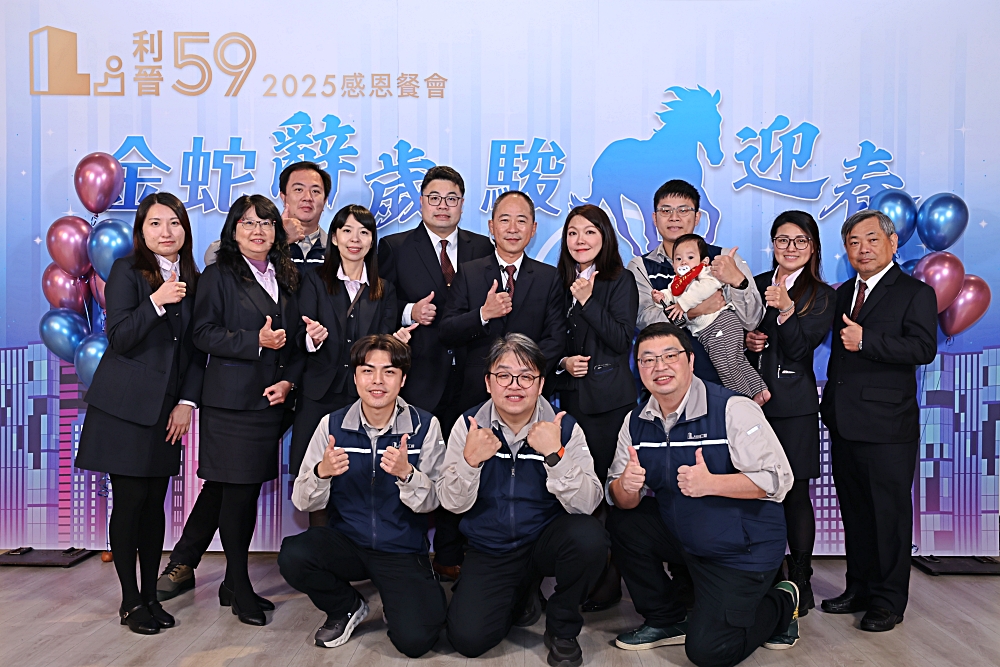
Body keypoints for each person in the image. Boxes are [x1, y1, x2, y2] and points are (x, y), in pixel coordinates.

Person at [608, 322, 798, 666]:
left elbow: (778, 479)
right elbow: (622, 498)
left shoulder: (733, 408)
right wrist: (626, 486)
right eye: (648, 359)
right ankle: (666, 618)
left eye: (670, 356)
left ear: (691, 360)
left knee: (709, 651)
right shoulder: (635, 421)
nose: (659, 366)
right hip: (687, 536)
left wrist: (712, 484)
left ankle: (782, 600)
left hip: (741, 549)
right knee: (624, 521)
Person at [75, 193, 205, 635]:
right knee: (130, 502)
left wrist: (187, 402)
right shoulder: (127, 271)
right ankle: (130, 601)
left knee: (154, 506)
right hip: (124, 409)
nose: (166, 232)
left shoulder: (194, 278)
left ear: (185, 229)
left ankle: (151, 595)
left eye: (174, 223)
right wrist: (156, 301)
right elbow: (120, 337)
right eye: (155, 223)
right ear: (141, 231)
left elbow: (195, 350)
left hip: (166, 411)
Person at [439, 334, 606, 667]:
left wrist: (555, 454)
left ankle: (562, 627)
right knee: (468, 640)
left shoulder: (564, 428)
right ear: (488, 383)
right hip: (491, 547)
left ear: (541, 384)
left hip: (544, 541)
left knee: (589, 537)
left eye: (526, 376)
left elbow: (588, 503)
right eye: (503, 375)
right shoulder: (469, 426)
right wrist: (470, 462)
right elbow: (451, 503)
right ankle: (521, 593)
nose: (514, 385)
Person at [278, 335, 448, 657]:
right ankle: (346, 607)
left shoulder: (425, 426)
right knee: (294, 554)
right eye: (368, 371)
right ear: (355, 377)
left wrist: (407, 474)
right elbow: (302, 501)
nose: (377, 381)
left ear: (402, 380)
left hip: (401, 549)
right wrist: (322, 472)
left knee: (416, 641)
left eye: (389, 372)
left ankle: (400, 602)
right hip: (348, 544)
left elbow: (435, 501)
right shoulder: (331, 425)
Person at [182, 194, 303, 626]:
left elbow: (295, 339)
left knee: (247, 493)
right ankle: (239, 586)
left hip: (269, 403)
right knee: (235, 496)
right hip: (230, 404)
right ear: (233, 230)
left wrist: (289, 382)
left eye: (266, 223)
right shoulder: (218, 275)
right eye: (248, 223)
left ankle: (233, 584)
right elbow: (202, 333)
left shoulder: (286, 274)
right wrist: (255, 341)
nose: (258, 230)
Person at [819, 210, 937, 632]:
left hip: (888, 426)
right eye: (854, 242)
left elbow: (923, 348)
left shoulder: (915, 292)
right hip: (844, 421)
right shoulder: (844, 293)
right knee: (856, 513)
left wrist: (867, 340)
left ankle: (888, 601)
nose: (863, 248)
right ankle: (859, 588)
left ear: (892, 243)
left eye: (871, 239)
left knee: (888, 516)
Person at [377, 166, 495, 580]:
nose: (443, 206)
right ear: (421, 201)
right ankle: (406, 556)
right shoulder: (394, 246)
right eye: (434, 198)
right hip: (420, 376)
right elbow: (376, 304)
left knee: (465, 462)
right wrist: (410, 311)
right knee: (416, 463)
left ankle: (451, 554)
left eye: (452, 199)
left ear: (462, 204)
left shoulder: (483, 246)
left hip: (472, 377)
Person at [744, 211, 835, 615]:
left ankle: (800, 578)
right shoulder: (756, 284)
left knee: (795, 493)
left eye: (800, 241)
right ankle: (763, 574)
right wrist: (748, 340)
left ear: (813, 247)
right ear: (773, 244)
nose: (790, 248)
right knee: (754, 491)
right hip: (750, 405)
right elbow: (735, 338)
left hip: (794, 407)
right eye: (782, 240)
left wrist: (785, 311)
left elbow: (800, 349)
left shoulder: (822, 294)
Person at [551, 204, 638, 611]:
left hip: (609, 404)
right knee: (578, 491)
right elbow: (552, 339)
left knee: (609, 491)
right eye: (572, 232)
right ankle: (583, 573)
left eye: (589, 232)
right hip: (571, 402)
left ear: (605, 237)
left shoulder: (620, 279)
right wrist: (561, 363)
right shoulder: (558, 280)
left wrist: (587, 301)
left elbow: (621, 339)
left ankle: (610, 579)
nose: (580, 240)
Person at [289, 204, 400, 484]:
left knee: (356, 477)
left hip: (362, 398)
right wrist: (311, 338)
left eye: (364, 232)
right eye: (347, 231)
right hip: (318, 393)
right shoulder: (314, 280)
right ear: (335, 238)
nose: (355, 239)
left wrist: (396, 344)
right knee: (311, 474)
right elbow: (299, 333)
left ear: (372, 241)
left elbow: (384, 341)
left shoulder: (384, 289)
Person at [439, 190, 566, 411]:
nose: (513, 229)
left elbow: (556, 339)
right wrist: (483, 314)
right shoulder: (469, 273)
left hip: (528, 391)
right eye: (505, 220)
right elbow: (447, 331)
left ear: (533, 228)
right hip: (476, 392)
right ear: (491, 226)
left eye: (521, 221)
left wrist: (522, 371)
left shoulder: (549, 277)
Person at [627, 179, 763, 384]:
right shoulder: (641, 266)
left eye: (683, 210)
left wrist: (738, 281)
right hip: (665, 380)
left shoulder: (725, 259)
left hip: (723, 378)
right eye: (665, 211)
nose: (674, 217)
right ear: (654, 218)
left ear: (697, 217)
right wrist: (692, 311)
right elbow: (645, 320)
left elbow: (751, 321)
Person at [661, 233, 769, 404]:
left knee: (726, 365)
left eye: (690, 257)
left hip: (720, 325)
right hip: (710, 331)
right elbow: (670, 297)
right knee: (737, 361)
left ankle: (745, 402)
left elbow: (706, 288)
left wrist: (683, 305)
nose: (684, 262)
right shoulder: (679, 282)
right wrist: (662, 296)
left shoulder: (706, 273)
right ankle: (760, 390)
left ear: (704, 261)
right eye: (678, 259)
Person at [203, 161, 332, 271]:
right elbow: (211, 257)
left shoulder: (334, 247)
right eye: (299, 189)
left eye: (315, 191)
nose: (307, 197)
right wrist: (280, 237)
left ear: (325, 200)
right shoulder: (263, 236)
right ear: (283, 197)